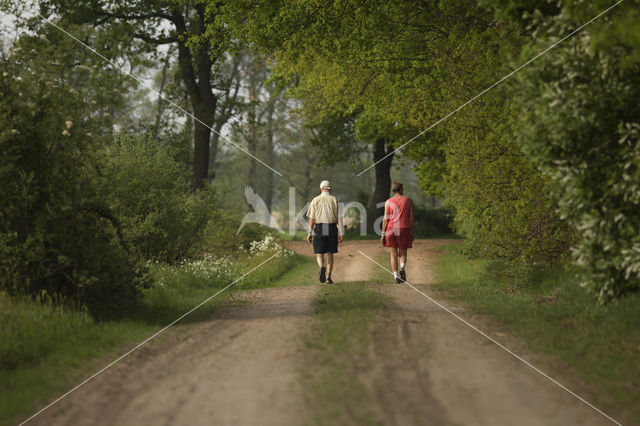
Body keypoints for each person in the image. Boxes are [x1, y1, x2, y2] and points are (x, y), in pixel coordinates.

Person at [307, 180, 343, 284]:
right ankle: (328, 277)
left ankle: (321, 266)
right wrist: (341, 233)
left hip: (319, 227)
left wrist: (309, 232)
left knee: (319, 253)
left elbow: (312, 219)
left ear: (320, 189)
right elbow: (340, 218)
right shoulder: (335, 200)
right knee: (330, 253)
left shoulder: (315, 200)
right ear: (329, 189)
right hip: (331, 228)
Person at [381, 182, 414, 283]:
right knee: (403, 252)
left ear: (393, 190)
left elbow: (385, 219)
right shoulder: (407, 201)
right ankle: (402, 268)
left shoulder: (388, 202)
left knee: (393, 254)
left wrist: (383, 233)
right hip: (404, 228)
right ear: (401, 190)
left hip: (391, 229)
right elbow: (411, 218)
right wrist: (412, 230)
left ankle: (396, 276)